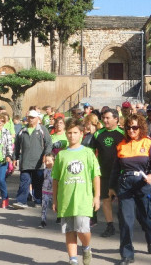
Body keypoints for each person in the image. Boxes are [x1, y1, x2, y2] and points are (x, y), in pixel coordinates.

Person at [109, 114, 151, 265]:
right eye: (128, 127)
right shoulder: (121, 145)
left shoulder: (149, 143)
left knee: (146, 218)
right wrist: (111, 188)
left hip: (143, 185)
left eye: (135, 127)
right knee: (126, 221)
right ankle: (127, 255)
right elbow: (115, 168)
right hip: (125, 186)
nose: (131, 130)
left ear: (141, 128)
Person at [52, 118, 101, 265]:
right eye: (69, 133)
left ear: (81, 134)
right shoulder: (61, 155)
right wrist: (55, 199)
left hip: (83, 199)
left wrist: (97, 196)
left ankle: (86, 247)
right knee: (70, 231)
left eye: (75, 133)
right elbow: (56, 179)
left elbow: (96, 176)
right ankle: (73, 260)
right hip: (66, 199)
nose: (71, 136)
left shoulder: (88, 153)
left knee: (82, 229)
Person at [89, 108, 124, 238]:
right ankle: (110, 226)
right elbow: (92, 152)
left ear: (116, 119)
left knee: (122, 200)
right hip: (103, 172)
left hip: (120, 173)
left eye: (108, 118)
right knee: (106, 199)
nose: (105, 120)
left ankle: (124, 223)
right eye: (103, 118)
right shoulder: (98, 134)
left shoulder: (123, 133)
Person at [12, 110, 52, 209]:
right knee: (24, 181)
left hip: (39, 163)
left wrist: (46, 155)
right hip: (25, 162)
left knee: (38, 183)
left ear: (38, 119)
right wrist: (14, 157)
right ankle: (21, 201)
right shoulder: (22, 130)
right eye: (29, 117)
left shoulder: (42, 130)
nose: (30, 119)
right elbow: (17, 145)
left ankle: (38, 201)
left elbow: (49, 143)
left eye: (33, 117)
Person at [40, 153, 55, 228]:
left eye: (49, 161)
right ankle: (43, 220)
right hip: (45, 190)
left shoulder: (56, 170)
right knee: (44, 205)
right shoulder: (44, 170)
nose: (47, 163)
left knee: (56, 206)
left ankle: (60, 217)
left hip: (54, 191)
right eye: (46, 161)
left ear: (54, 161)